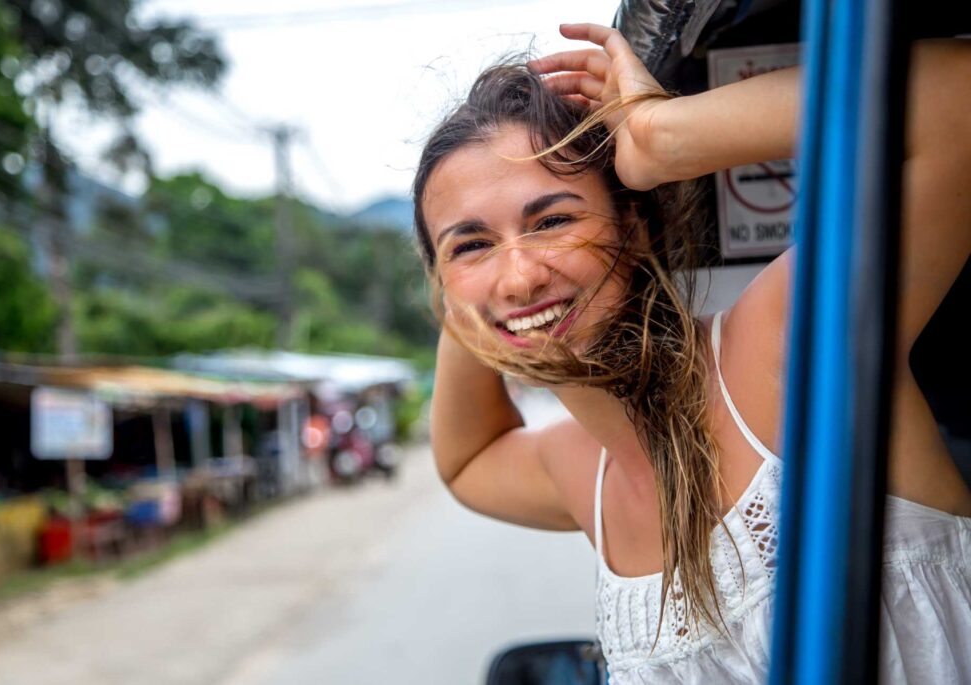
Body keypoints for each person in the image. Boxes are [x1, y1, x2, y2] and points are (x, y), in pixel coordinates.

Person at [413, 22, 971, 684]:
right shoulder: (583, 473)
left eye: (554, 221)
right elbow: (465, 457)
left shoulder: (782, 343)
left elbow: (957, 101)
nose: (520, 276)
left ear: (635, 226)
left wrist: (658, 136)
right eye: (472, 244)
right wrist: (472, 293)